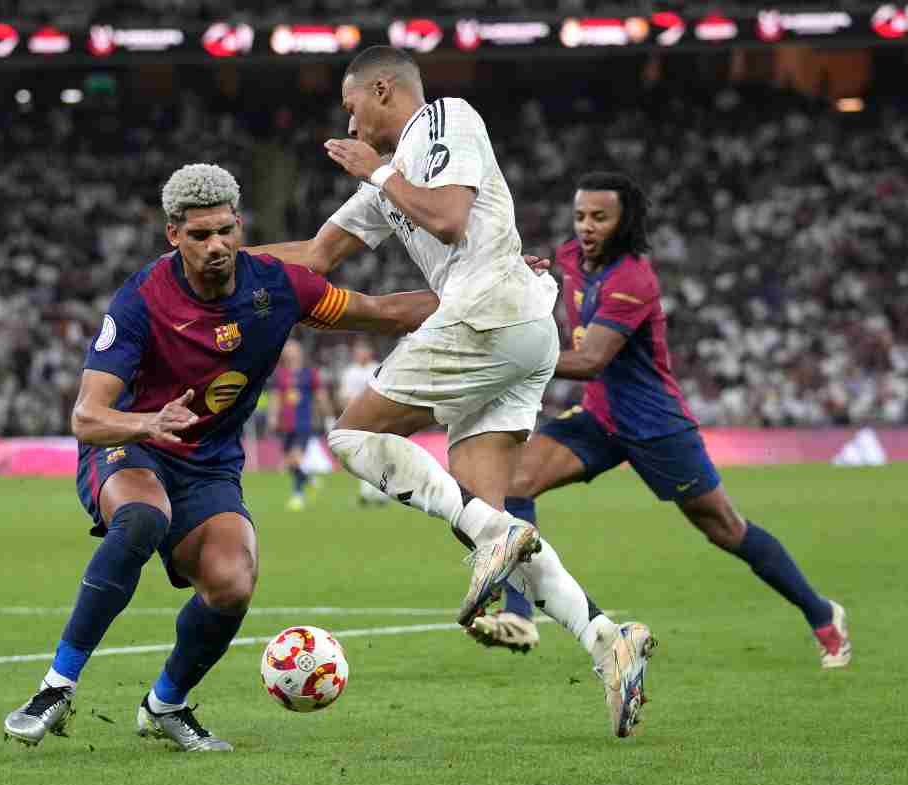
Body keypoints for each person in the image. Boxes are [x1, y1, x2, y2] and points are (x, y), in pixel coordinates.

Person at [249, 46, 655, 738]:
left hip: (488, 312)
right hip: (514, 332)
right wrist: (221, 261)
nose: (347, 119)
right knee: (483, 511)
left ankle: (495, 536)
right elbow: (317, 258)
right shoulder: (391, 179)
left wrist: (375, 169)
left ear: (384, 90)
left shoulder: (444, 119)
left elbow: (448, 219)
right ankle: (608, 641)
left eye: (352, 104)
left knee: (351, 435)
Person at [3, 163, 440, 751]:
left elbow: (382, 312)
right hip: (129, 442)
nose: (216, 246)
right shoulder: (142, 299)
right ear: (173, 236)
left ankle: (166, 705)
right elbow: (87, 415)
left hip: (207, 463)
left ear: (240, 225)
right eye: (200, 235)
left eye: (225, 231)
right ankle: (56, 687)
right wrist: (147, 422)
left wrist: (491, 290)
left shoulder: (277, 287)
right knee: (142, 517)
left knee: (232, 583)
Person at [469, 172, 851, 670]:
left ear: (624, 221)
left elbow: (591, 361)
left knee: (724, 528)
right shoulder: (570, 257)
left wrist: (511, 358)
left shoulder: (634, 279)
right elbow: (544, 279)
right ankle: (519, 616)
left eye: (600, 218)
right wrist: (524, 272)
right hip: (599, 417)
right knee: (513, 483)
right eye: (581, 216)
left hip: (656, 426)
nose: (586, 226)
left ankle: (824, 616)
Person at [266, 338, 334, 511]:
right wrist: (272, 417)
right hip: (284, 424)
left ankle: (298, 496)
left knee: (296, 458)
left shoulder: (310, 373)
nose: (290, 351)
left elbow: (320, 396)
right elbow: (275, 397)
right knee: (290, 463)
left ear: (300, 352)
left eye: (293, 348)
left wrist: (328, 417)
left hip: (304, 423)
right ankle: (309, 479)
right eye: (288, 348)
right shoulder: (279, 374)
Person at [336, 339, 389, 506]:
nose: (360, 353)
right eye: (358, 350)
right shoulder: (350, 372)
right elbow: (344, 396)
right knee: (363, 455)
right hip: (358, 418)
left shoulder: (378, 368)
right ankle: (366, 493)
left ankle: (381, 493)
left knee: (379, 455)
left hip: (377, 416)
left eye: (363, 350)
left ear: (370, 352)